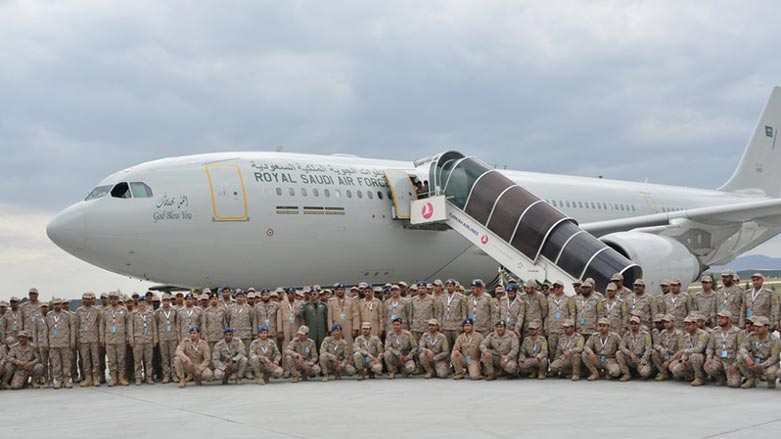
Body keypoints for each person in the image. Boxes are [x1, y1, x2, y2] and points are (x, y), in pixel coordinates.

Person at [737, 316, 779, 389]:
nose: (756, 328)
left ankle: (770, 380)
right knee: (740, 357)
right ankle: (751, 379)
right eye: (755, 326)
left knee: (771, 374)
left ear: (767, 327)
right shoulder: (752, 336)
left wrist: (761, 365)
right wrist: (747, 358)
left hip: (767, 364)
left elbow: (774, 358)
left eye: (759, 326)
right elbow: (743, 347)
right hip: (754, 361)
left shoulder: (775, 340)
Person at [704, 310, 743, 388]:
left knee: (734, 384)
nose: (719, 320)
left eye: (722, 318)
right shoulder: (715, 331)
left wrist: (735, 365)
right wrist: (708, 358)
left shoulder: (738, 332)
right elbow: (710, 347)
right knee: (708, 366)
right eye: (718, 318)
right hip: (718, 359)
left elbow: (741, 350)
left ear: (729, 320)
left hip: (731, 361)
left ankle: (732, 375)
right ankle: (720, 378)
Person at [100, 291, 130, 386]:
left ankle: (121, 378)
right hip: (109, 338)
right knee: (111, 359)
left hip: (121, 338)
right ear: (109, 299)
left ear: (118, 299)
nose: (113, 300)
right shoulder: (105, 311)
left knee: (121, 359)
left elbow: (128, 324)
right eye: (111, 298)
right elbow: (102, 325)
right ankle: (113, 378)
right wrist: (102, 338)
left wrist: (128, 336)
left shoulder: (124, 310)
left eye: (115, 298)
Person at [669, 315, 708, 386]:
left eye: (689, 325)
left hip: (702, 359)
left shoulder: (703, 334)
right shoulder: (686, 336)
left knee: (694, 356)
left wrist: (685, 351)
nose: (686, 327)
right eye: (685, 325)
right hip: (690, 359)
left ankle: (700, 378)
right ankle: (691, 375)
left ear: (695, 325)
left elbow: (699, 349)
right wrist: (683, 359)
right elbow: (684, 349)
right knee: (673, 367)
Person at [46, 298, 75, 389]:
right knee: (56, 363)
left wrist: (72, 341)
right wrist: (46, 342)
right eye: (55, 304)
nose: (57, 306)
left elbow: (72, 329)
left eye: (58, 304)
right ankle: (58, 380)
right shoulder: (49, 315)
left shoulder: (68, 315)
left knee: (66, 362)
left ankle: (66, 380)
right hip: (53, 343)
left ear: (62, 305)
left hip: (65, 342)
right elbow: (46, 330)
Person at [129, 297, 158, 385]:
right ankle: (138, 378)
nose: (142, 304)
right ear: (137, 304)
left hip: (148, 339)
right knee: (137, 361)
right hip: (138, 340)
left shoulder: (150, 314)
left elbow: (154, 327)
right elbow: (131, 328)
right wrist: (131, 339)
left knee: (149, 361)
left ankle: (148, 377)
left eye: (143, 302)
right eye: (140, 302)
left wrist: (155, 339)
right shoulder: (133, 314)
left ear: (146, 303)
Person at [75, 292, 101, 387]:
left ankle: (95, 377)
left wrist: (100, 338)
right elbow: (77, 326)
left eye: (88, 299)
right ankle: (87, 377)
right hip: (83, 339)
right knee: (85, 359)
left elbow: (100, 325)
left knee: (95, 359)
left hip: (94, 338)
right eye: (84, 299)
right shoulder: (78, 311)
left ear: (92, 300)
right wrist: (77, 340)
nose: (86, 300)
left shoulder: (96, 310)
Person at [616, 316, 653, 381]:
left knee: (644, 373)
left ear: (639, 324)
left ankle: (642, 371)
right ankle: (626, 374)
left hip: (641, 359)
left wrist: (642, 362)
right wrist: (630, 353)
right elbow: (621, 346)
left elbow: (648, 349)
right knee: (619, 353)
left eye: (635, 324)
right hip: (631, 358)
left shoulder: (645, 335)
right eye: (632, 324)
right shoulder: (627, 335)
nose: (633, 325)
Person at [652, 315, 684, 381]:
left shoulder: (679, 334)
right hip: (666, 355)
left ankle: (681, 375)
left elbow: (681, 350)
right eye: (664, 322)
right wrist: (660, 348)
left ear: (673, 322)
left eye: (667, 322)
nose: (665, 324)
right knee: (654, 352)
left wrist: (669, 361)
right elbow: (655, 344)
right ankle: (664, 373)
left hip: (675, 357)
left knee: (672, 367)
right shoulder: (663, 333)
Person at [278, 287, 302, 376]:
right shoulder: (282, 304)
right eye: (288, 293)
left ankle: (297, 369)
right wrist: (280, 330)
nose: (290, 295)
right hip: (286, 328)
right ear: (286, 294)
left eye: (292, 293)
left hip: (296, 327)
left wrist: (302, 330)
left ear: (295, 294)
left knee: (297, 347)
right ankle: (286, 370)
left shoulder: (299, 303)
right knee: (285, 348)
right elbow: (279, 317)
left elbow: (302, 318)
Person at [155, 293, 179, 384]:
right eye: (164, 300)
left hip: (173, 336)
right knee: (164, 357)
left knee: (173, 356)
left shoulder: (174, 311)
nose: (166, 302)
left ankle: (174, 374)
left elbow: (176, 322)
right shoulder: (158, 312)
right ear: (162, 301)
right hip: (163, 337)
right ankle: (166, 375)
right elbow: (156, 323)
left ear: (170, 301)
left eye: (167, 300)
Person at [438, 279, 467, 349]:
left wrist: (463, 325)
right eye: (447, 286)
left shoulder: (461, 297)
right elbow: (440, 312)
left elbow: (464, 313)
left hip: (457, 326)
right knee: (446, 347)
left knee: (458, 346)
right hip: (445, 326)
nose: (448, 287)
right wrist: (440, 325)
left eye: (450, 286)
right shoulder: (442, 297)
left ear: (454, 287)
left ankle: (457, 359)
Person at [300, 290, 328, 355]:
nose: (312, 296)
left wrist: (327, 330)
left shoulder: (323, 305)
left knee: (321, 346)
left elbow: (326, 318)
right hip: (311, 329)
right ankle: (310, 360)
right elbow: (301, 317)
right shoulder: (305, 306)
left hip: (321, 330)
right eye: (311, 294)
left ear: (318, 295)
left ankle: (321, 361)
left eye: (314, 294)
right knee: (310, 346)